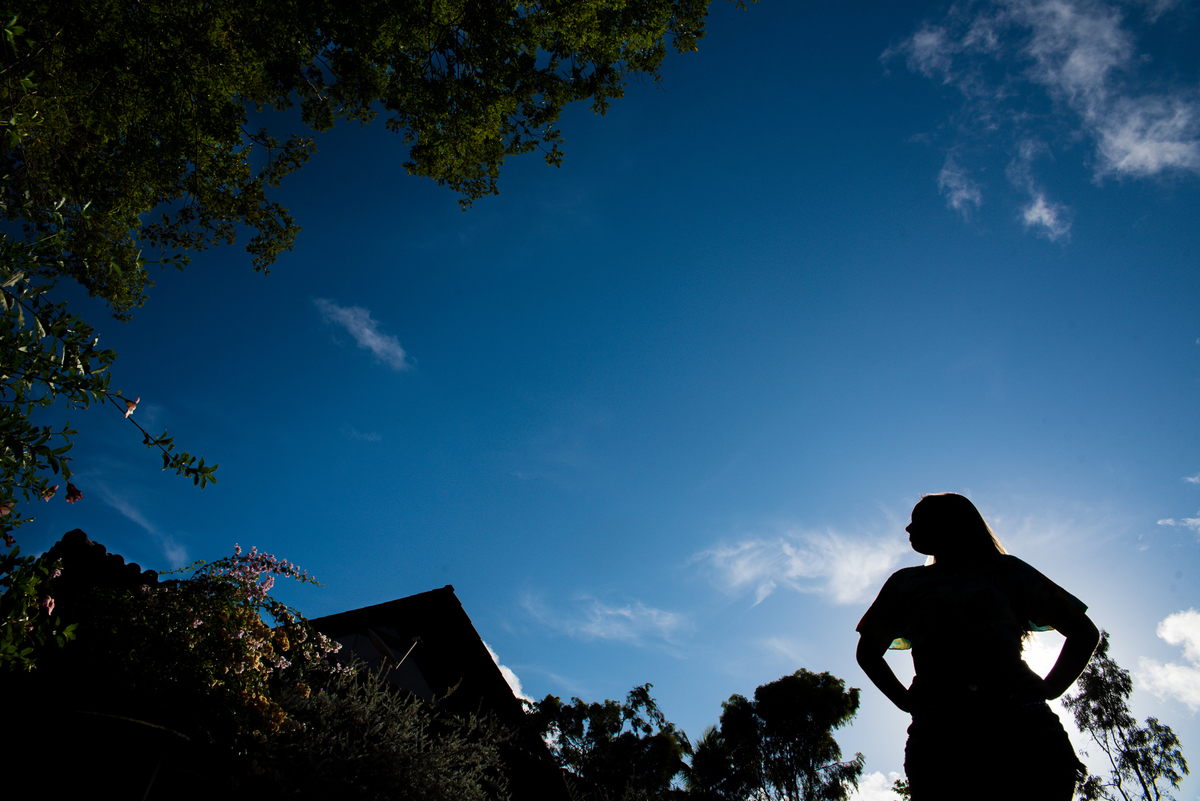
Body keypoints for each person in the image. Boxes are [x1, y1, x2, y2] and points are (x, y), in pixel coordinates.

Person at [855, 493, 1100, 801]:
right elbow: (867, 651)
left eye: (919, 520)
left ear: (951, 524)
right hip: (940, 738)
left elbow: (1083, 632)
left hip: (1024, 731)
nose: (908, 528)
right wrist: (905, 701)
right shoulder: (905, 583)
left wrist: (1050, 688)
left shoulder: (1007, 571)